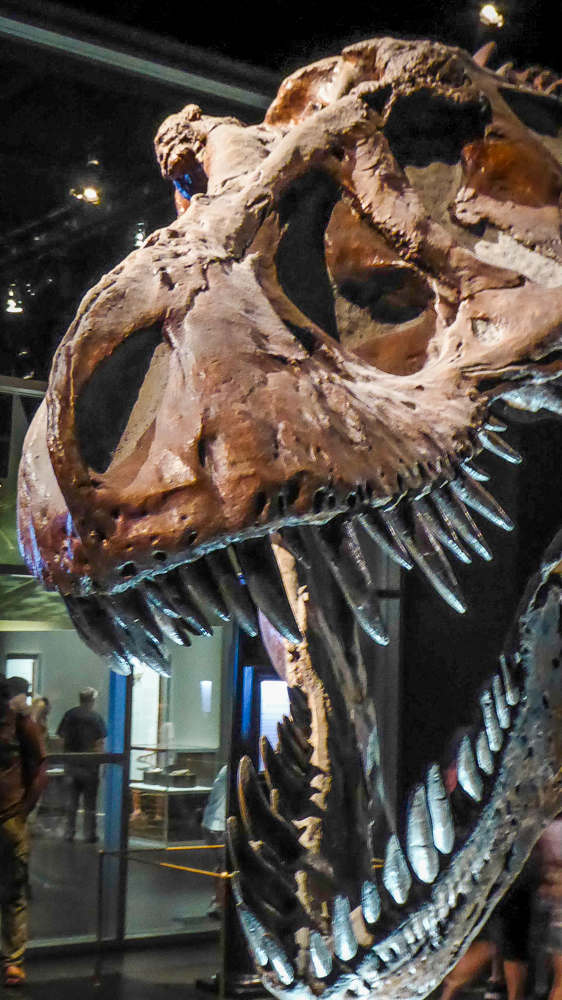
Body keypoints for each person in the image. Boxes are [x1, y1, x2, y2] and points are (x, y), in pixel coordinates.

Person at [0, 675, 48, 988]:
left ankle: (13, 961)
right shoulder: (19, 724)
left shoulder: (21, 725)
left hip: (9, 818)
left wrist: (21, 811)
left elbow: (40, 771)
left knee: (13, 890)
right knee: (12, 891)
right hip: (11, 817)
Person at [56, 687, 107, 843]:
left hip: (71, 764)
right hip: (90, 766)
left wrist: (65, 757)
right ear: (92, 700)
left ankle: (69, 831)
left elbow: (60, 740)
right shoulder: (96, 717)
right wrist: (101, 762)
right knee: (90, 802)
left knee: (71, 801)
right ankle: (89, 833)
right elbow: (99, 743)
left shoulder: (69, 715)